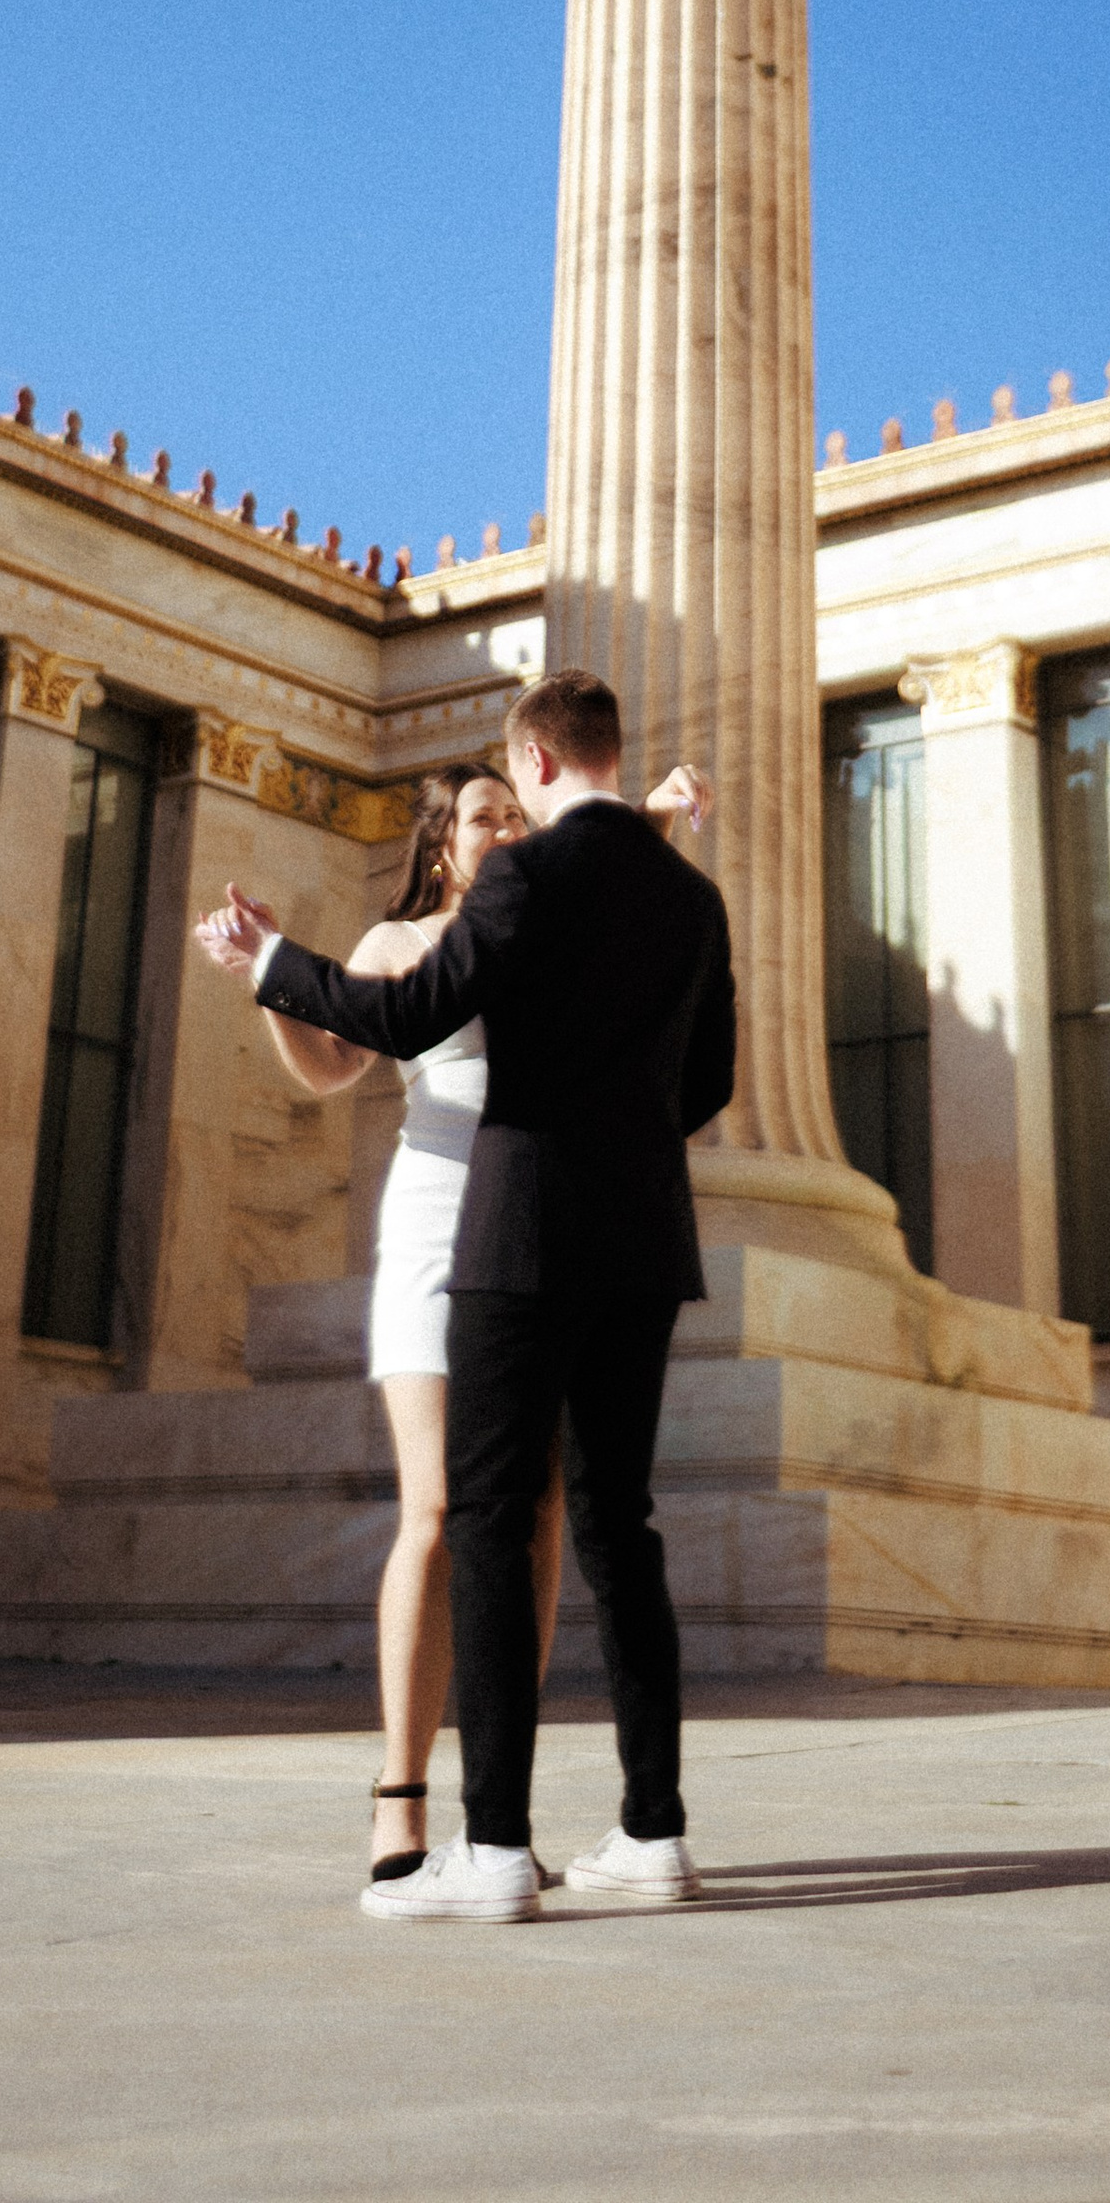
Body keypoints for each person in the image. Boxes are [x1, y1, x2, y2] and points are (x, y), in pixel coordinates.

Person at [196, 667, 736, 1926]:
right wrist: (618, 1137)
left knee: (492, 1518)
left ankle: (493, 1850)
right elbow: (704, 1081)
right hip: (646, 1241)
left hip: (517, 1230)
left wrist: (271, 956)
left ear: (535, 764)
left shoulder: (528, 881)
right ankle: (653, 1832)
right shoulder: (692, 897)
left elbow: (419, 1010)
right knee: (621, 1530)